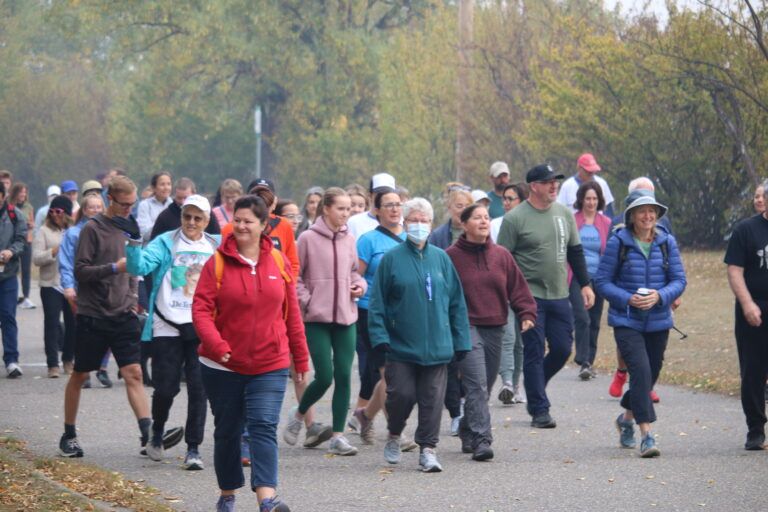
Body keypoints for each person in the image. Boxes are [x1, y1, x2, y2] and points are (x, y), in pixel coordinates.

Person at [193, 194, 309, 512]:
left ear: (263, 225)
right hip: (222, 366)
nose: (241, 225)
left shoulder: (279, 262)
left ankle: (267, 500)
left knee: (263, 426)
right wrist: (217, 345)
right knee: (228, 431)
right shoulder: (216, 262)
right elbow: (201, 310)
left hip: (269, 362)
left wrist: (300, 357)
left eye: (248, 220)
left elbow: (291, 314)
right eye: (237, 219)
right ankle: (228, 494)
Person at [368, 197, 471, 473]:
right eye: (413, 220)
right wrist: (379, 337)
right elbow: (377, 302)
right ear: (405, 222)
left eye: (424, 221)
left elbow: (456, 303)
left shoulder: (442, 259)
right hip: (401, 345)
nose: (419, 225)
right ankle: (394, 433)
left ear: (431, 224)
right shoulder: (391, 259)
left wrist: (461, 341)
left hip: (438, 345)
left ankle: (428, 449)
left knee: (432, 399)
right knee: (401, 394)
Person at [58, 175, 155, 458]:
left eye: (133, 204)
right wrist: (114, 268)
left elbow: (134, 267)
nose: (129, 209)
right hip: (93, 314)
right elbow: (81, 271)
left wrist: (134, 297)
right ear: (110, 199)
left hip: (123, 311)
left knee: (133, 373)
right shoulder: (92, 229)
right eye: (125, 204)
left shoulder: (131, 227)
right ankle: (69, 433)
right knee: (79, 374)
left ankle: (147, 434)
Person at [497, 164, 595, 429]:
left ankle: (535, 384)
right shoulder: (515, 218)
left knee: (563, 348)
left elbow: (575, 251)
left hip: (560, 294)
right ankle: (540, 410)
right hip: (528, 297)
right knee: (533, 350)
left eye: (556, 181)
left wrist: (585, 284)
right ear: (534, 186)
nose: (554, 186)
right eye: (548, 182)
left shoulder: (564, 214)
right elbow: (501, 260)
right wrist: (507, 295)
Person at [126, 194, 219, 469]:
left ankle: (193, 448)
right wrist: (133, 243)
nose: (191, 222)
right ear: (181, 217)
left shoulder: (215, 246)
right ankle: (156, 433)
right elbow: (138, 267)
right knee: (165, 388)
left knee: (199, 389)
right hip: (167, 324)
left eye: (197, 218)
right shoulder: (166, 242)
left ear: (206, 221)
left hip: (200, 326)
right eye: (187, 216)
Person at [595, 195, 686, 457]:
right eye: (642, 212)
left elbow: (679, 280)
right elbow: (602, 281)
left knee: (650, 373)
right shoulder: (618, 243)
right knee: (641, 370)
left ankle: (625, 418)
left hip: (658, 320)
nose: (648, 216)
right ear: (632, 216)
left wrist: (660, 296)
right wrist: (628, 299)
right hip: (626, 320)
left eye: (652, 212)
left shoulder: (666, 242)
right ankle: (647, 434)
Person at [446, 204, 536, 461]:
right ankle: (482, 439)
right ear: (464, 224)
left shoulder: (501, 255)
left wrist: (527, 313)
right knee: (476, 383)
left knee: (484, 386)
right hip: (466, 326)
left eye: (486, 217)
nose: (484, 221)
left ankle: (466, 428)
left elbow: (518, 288)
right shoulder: (450, 256)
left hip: (496, 325)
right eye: (477, 218)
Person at [283, 188, 366, 455]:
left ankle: (338, 436)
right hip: (316, 318)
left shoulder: (350, 239)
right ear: (326, 209)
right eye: (341, 208)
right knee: (324, 376)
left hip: (346, 315)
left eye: (349, 208)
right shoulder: (306, 238)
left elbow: (355, 273)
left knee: (344, 375)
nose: (346, 213)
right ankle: (299, 414)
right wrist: (308, 300)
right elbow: (295, 276)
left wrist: (358, 287)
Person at [349, 189, 414, 450]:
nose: (395, 210)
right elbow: (357, 277)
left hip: (404, 314)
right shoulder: (368, 241)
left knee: (388, 377)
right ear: (376, 210)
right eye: (388, 205)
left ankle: (364, 415)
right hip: (372, 313)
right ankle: (397, 432)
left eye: (398, 205)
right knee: (390, 374)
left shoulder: (411, 239)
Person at [725, 179, 768, 450]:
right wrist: (748, 303)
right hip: (754, 308)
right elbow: (734, 270)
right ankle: (755, 429)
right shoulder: (746, 230)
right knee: (753, 370)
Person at [428, 187, 473, 435]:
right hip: (445, 307)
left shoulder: (478, 234)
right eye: (458, 206)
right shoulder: (438, 237)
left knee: (469, 362)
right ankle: (456, 413)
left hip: (472, 307)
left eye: (466, 206)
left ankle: (468, 405)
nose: (462, 211)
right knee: (450, 364)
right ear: (449, 208)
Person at [492, 182, 530, 405]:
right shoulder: (496, 224)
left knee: (520, 342)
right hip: (502, 289)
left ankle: (516, 386)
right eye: (504, 199)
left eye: (511, 199)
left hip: (524, 289)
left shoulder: (528, 224)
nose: (505, 203)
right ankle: (506, 382)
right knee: (508, 337)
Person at [571, 182, 612, 380]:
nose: (591, 202)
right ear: (581, 199)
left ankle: (589, 362)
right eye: (588, 198)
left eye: (595, 198)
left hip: (599, 277)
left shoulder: (606, 223)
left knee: (595, 320)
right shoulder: (572, 221)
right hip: (577, 277)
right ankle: (583, 359)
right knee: (582, 317)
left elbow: (610, 252)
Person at [32, 195, 74, 378]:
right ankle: (52, 364)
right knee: (52, 324)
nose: (54, 214)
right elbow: (36, 259)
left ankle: (68, 360)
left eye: (58, 211)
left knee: (73, 324)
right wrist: (53, 251)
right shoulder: (43, 231)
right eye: (52, 211)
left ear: (66, 213)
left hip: (70, 284)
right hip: (50, 284)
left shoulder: (73, 231)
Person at [0, 181, 27, 378]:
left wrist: (11, 251)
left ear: (3, 196)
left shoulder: (15, 215)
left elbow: (21, 240)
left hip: (7, 274)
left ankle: (11, 360)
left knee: (8, 316)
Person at [150, 177, 220, 240]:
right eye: (179, 198)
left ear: (194, 193)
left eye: (186, 198)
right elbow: (154, 242)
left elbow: (217, 238)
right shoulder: (165, 217)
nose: (183, 202)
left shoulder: (206, 212)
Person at [557, 153, 615, 218]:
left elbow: (608, 211)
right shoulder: (567, 186)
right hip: (575, 226)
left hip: (598, 226)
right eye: (588, 171)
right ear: (579, 168)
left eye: (593, 171)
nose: (591, 173)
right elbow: (559, 211)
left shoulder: (602, 183)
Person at [347, 173, 397, 239]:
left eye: (388, 193)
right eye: (379, 194)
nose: (384, 197)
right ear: (370, 195)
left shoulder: (400, 221)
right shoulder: (353, 222)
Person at [9, 184, 35, 310]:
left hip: (26, 241)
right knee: (9, 269)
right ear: (15, 193)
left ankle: (26, 297)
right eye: (21, 192)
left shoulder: (29, 207)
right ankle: (10, 296)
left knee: (26, 270)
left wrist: (29, 224)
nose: (23, 195)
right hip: (11, 242)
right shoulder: (9, 207)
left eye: (25, 192)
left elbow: (32, 223)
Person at [136, 171, 173, 243]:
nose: (166, 188)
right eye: (162, 184)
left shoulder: (173, 206)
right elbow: (144, 233)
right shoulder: (145, 205)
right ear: (154, 188)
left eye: (169, 184)